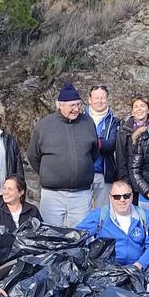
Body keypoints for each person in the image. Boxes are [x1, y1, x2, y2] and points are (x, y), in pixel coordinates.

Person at [28, 82, 97, 227]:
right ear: (60, 105)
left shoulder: (88, 122)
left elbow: (94, 152)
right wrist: (49, 174)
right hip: (52, 194)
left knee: (79, 235)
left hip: (81, 193)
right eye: (72, 105)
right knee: (50, 235)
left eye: (78, 105)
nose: (76, 109)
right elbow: (33, 155)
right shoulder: (45, 125)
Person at [76, 180, 149, 269]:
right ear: (110, 198)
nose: (122, 200)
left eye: (126, 196)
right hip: (107, 270)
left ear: (132, 196)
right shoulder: (99, 215)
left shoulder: (144, 216)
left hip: (138, 269)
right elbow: (77, 235)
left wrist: (140, 264)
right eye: (117, 197)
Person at [85, 85, 121, 209]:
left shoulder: (114, 121)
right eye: (96, 98)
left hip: (104, 173)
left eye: (103, 98)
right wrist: (99, 141)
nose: (99, 101)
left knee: (103, 211)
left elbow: (111, 144)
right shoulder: (80, 119)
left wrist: (91, 141)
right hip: (82, 173)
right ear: (89, 100)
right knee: (82, 213)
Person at [114, 95, 149, 184]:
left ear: (148, 109)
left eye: (142, 106)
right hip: (131, 179)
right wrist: (125, 181)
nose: (139, 109)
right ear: (132, 111)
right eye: (136, 106)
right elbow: (121, 157)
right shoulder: (124, 129)